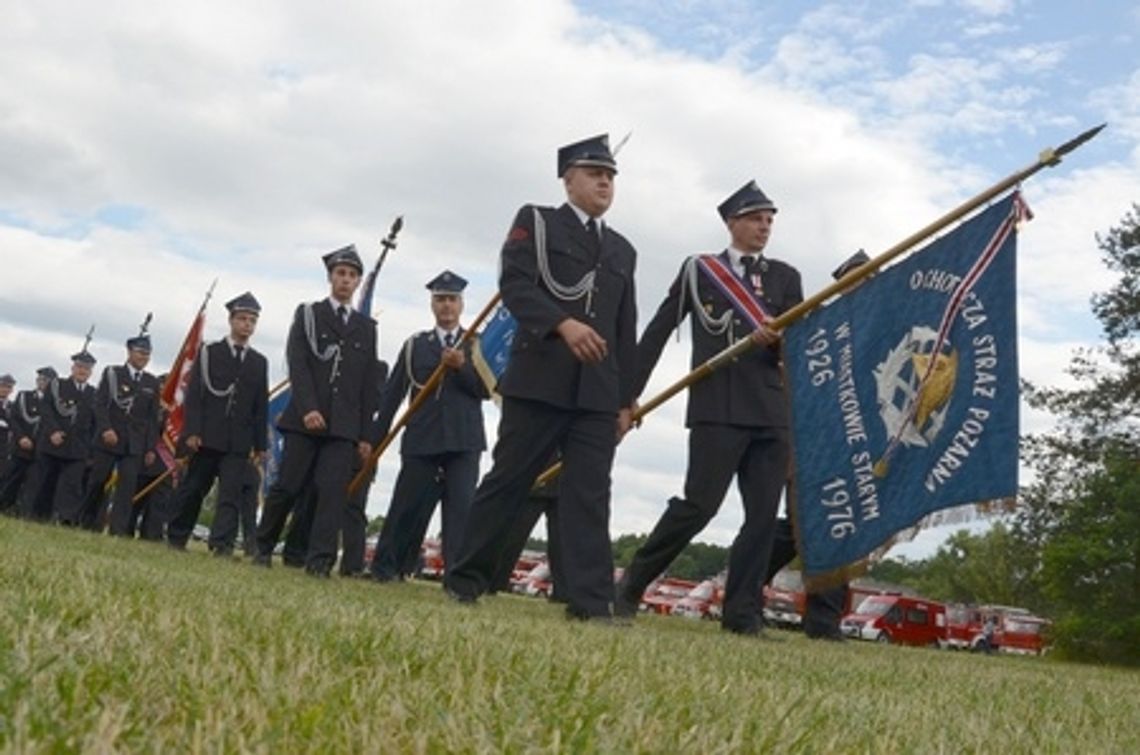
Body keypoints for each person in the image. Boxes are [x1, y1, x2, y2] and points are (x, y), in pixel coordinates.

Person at [444, 133, 638, 621]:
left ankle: (591, 602)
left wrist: (626, 398)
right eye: (595, 173)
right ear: (568, 179)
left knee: (590, 494)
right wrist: (562, 323)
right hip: (540, 380)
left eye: (611, 176)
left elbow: (624, 329)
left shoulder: (622, 250)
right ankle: (466, 577)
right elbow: (514, 286)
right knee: (509, 480)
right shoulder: (536, 221)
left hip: (596, 391)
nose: (604, 182)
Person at [615, 180, 803, 636]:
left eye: (769, 220)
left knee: (761, 519)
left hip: (771, 414)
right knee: (698, 506)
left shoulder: (785, 277)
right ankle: (629, 586)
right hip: (718, 407)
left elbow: (801, 348)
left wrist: (780, 343)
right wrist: (627, 394)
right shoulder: (701, 272)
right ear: (732, 222)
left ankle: (741, 614)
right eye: (756, 219)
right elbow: (659, 331)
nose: (764, 227)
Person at [762, 251, 870, 640]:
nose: (864, 284)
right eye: (856, 278)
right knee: (803, 528)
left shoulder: (882, 329)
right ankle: (744, 584)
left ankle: (823, 621)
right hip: (810, 443)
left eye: (871, 277)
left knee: (841, 530)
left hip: (856, 450)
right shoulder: (817, 325)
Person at [253, 246, 379, 577]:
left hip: (343, 426)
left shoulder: (367, 328)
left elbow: (368, 384)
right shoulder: (309, 314)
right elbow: (299, 363)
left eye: (352, 276)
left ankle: (320, 561)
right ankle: (262, 546)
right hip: (306, 420)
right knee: (288, 486)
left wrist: (366, 434)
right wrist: (308, 407)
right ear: (330, 277)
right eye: (341, 274)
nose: (346, 281)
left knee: (332, 492)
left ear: (357, 282)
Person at [369, 271, 490, 582]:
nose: (446, 306)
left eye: (452, 300)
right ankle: (386, 568)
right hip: (422, 437)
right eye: (440, 300)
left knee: (460, 513)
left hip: (464, 440)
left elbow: (487, 390)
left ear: (461, 304)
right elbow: (392, 395)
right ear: (432, 305)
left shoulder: (476, 343)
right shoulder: (415, 345)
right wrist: (373, 439)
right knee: (405, 507)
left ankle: (457, 579)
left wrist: (462, 367)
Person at [166, 292, 269, 555]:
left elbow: (260, 406)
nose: (247, 325)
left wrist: (260, 445)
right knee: (194, 490)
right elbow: (195, 396)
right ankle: (177, 537)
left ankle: (221, 544)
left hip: (238, 441)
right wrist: (192, 432)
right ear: (232, 320)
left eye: (252, 320)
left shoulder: (259, 362)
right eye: (243, 319)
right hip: (207, 437)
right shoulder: (209, 352)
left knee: (230, 497)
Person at [83, 326, 162, 535]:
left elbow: (153, 419)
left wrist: (150, 448)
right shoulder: (113, 374)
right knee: (98, 481)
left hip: (134, 443)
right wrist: (106, 429)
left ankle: (117, 530)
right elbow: (99, 404)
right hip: (109, 438)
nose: (143, 357)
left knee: (126, 488)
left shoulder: (151, 382)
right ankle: (87, 521)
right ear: (129, 352)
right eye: (140, 353)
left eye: (147, 354)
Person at [31, 347, 98, 526]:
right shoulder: (57, 385)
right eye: (79, 367)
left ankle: (65, 517)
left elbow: (95, 422)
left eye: (86, 368)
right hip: (53, 442)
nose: (82, 371)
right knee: (46, 481)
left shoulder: (94, 393)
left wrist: (91, 449)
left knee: (72, 484)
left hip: (78, 447)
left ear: (91, 372)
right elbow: (45, 409)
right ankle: (39, 515)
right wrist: (52, 431)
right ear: (73, 368)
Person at [0, 367, 55, 516]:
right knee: (11, 478)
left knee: (33, 483)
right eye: (40, 379)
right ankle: (4, 506)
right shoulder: (25, 396)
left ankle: (24, 511)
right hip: (20, 446)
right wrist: (21, 437)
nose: (42, 382)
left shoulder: (53, 403)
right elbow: (15, 419)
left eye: (46, 380)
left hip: (40, 449)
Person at [0, 374, 15, 475]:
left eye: (8, 387)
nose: (5, 389)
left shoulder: (12, 406)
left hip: (4, 447)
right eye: (3, 386)